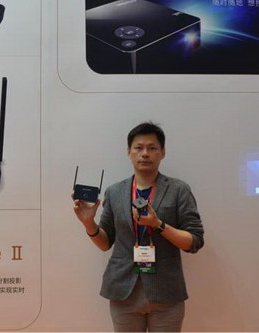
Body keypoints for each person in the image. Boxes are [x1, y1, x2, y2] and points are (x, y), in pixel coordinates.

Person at [73, 122, 204, 332]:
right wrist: (89, 222)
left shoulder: (179, 190)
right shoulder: (114, 192)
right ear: (129, 152)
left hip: (166, 292)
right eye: (138, 148)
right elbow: (105, 243)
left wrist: (158, 225)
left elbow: (194, 241)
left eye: (152, 148)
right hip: (123, 291)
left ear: (163, 152)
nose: (145, 154)